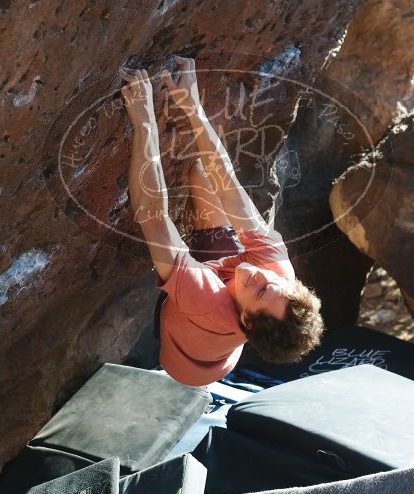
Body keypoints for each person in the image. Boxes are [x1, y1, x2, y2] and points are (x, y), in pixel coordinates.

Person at [119, 57, 324, 387]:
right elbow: (227, 185)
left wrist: (145, 120)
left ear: (245, 318)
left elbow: (153, 216)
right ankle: (194, 265)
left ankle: (181, 274)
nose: (258, 274)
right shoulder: (276, 275)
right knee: (201, 175)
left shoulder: (208, 304)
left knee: (170, 246)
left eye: (258, 290)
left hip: (189, 365)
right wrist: (193, 105)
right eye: (273, 283)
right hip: (220, 297)